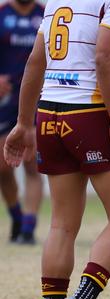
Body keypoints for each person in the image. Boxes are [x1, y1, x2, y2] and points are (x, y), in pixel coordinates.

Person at [3, 0, 110, 299]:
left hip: (48, 114)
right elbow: (104, 58)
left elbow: (36, 61)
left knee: (61, 225)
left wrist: (23, 123)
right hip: (89, 111)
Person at [0, 0, 45, 244]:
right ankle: (16, 216)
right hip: (6, 101)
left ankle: (28, 227)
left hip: (39, 98)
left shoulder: (47, 13)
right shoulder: (2, 14)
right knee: (3, 167)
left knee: (32, 163)